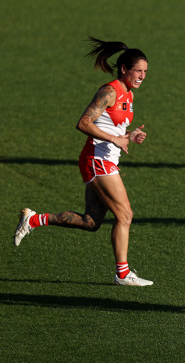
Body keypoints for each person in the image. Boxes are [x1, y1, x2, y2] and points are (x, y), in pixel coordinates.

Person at [13, 37, 153, 286]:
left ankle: (34, 219)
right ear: (124, 69)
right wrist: (115, 139)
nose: (142, 75)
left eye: (145, 72)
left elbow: (110, 124)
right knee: (125, 215)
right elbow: (83, 123)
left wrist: (129, 135)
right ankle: (122, 273)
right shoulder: (109, 91)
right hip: (97, 159)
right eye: (138, 71)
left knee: (91, 222)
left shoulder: (128, 94)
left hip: (103, 158)